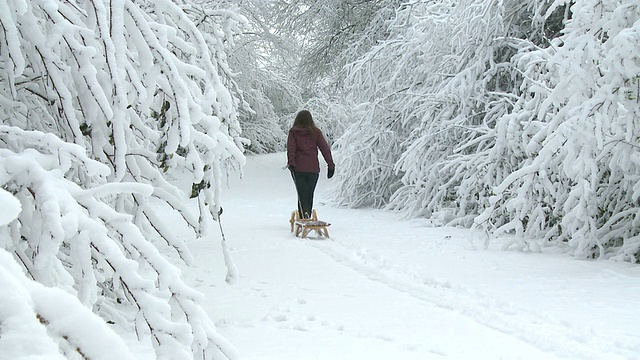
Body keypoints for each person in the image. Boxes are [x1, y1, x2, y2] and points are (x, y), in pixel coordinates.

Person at [287, 110, 335, 219]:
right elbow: (325, 149)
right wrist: (330, 165)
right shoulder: (316, 132)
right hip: (313, 169)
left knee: (301, 194)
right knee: (309, 193)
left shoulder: (294, 132)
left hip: (298, 168)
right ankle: (306, 214)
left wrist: (291, 162)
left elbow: (291, 148)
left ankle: (304, 215)